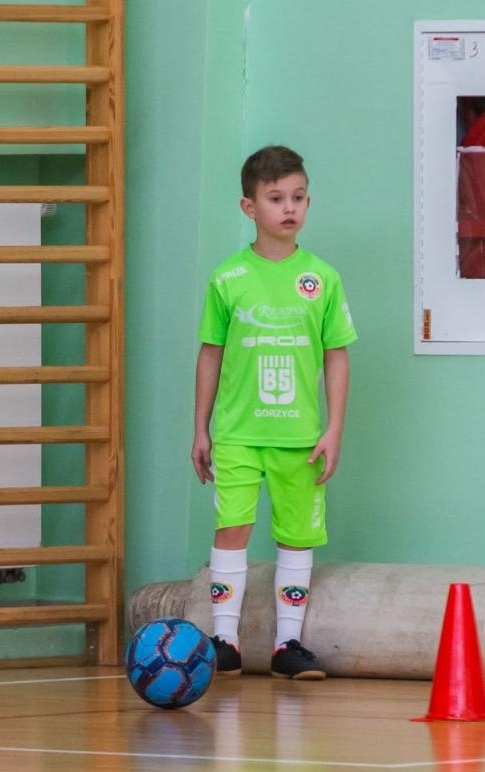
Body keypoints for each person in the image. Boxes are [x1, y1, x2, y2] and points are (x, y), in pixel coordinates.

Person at [189, 145, 357, 679]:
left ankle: (288, 644)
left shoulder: (322, 279)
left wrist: (333, 428)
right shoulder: (228, 278)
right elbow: (211, 353)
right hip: (238, 432)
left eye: (299, 197)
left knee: (296, 537)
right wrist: (201, 429)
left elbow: (337, 355)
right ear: (249, 207)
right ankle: (225, 640)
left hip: (299, 436)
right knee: (231, 528)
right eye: (276, 197)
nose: (290, 208)